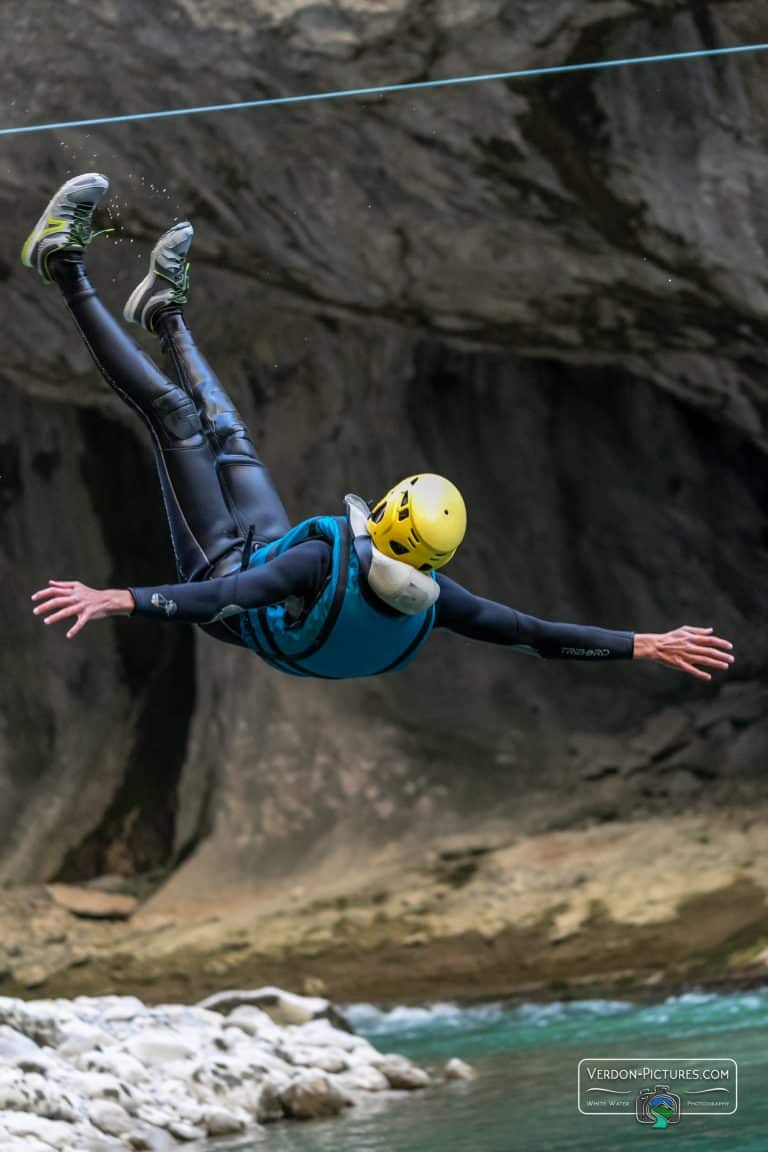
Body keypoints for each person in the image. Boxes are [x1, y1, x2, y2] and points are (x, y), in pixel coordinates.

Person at [26, 174, 735, 682]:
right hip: (270, 563)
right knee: (232, 437)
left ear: (391, 514)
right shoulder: (435, 595)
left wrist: (120, 599)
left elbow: (224, 598)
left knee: (177, 420)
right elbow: (533, 634)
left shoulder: (314, 562)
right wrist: (642, 643)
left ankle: (62, 262)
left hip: (225, 573)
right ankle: (164, 311)